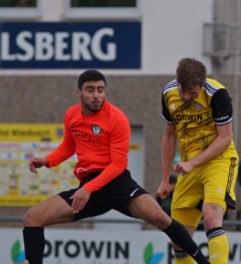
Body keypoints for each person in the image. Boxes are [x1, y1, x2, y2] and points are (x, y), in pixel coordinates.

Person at [24, 70, 209, 264]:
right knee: (33, 218)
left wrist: (88, 189)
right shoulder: (72, 114)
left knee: (160, 217)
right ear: (79, 93)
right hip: (89, 186)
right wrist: (48, 160)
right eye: (90, 90)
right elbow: (69, 146)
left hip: (115, 182)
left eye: (101, 90)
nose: (96, 95)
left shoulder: (116, 118)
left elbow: (118, 164)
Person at [158, 58, 239, 264]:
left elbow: (225, 138)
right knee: (179, 237)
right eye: (182, 90)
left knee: (211, 215)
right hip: (188, 167)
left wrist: (192, 163)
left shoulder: (217, 94)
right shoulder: (168, 93)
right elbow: (169, 136)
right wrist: (165, 179)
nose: (185, 97)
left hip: (219, 161)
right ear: (177, 81)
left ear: (201, 85)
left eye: (192, 93)